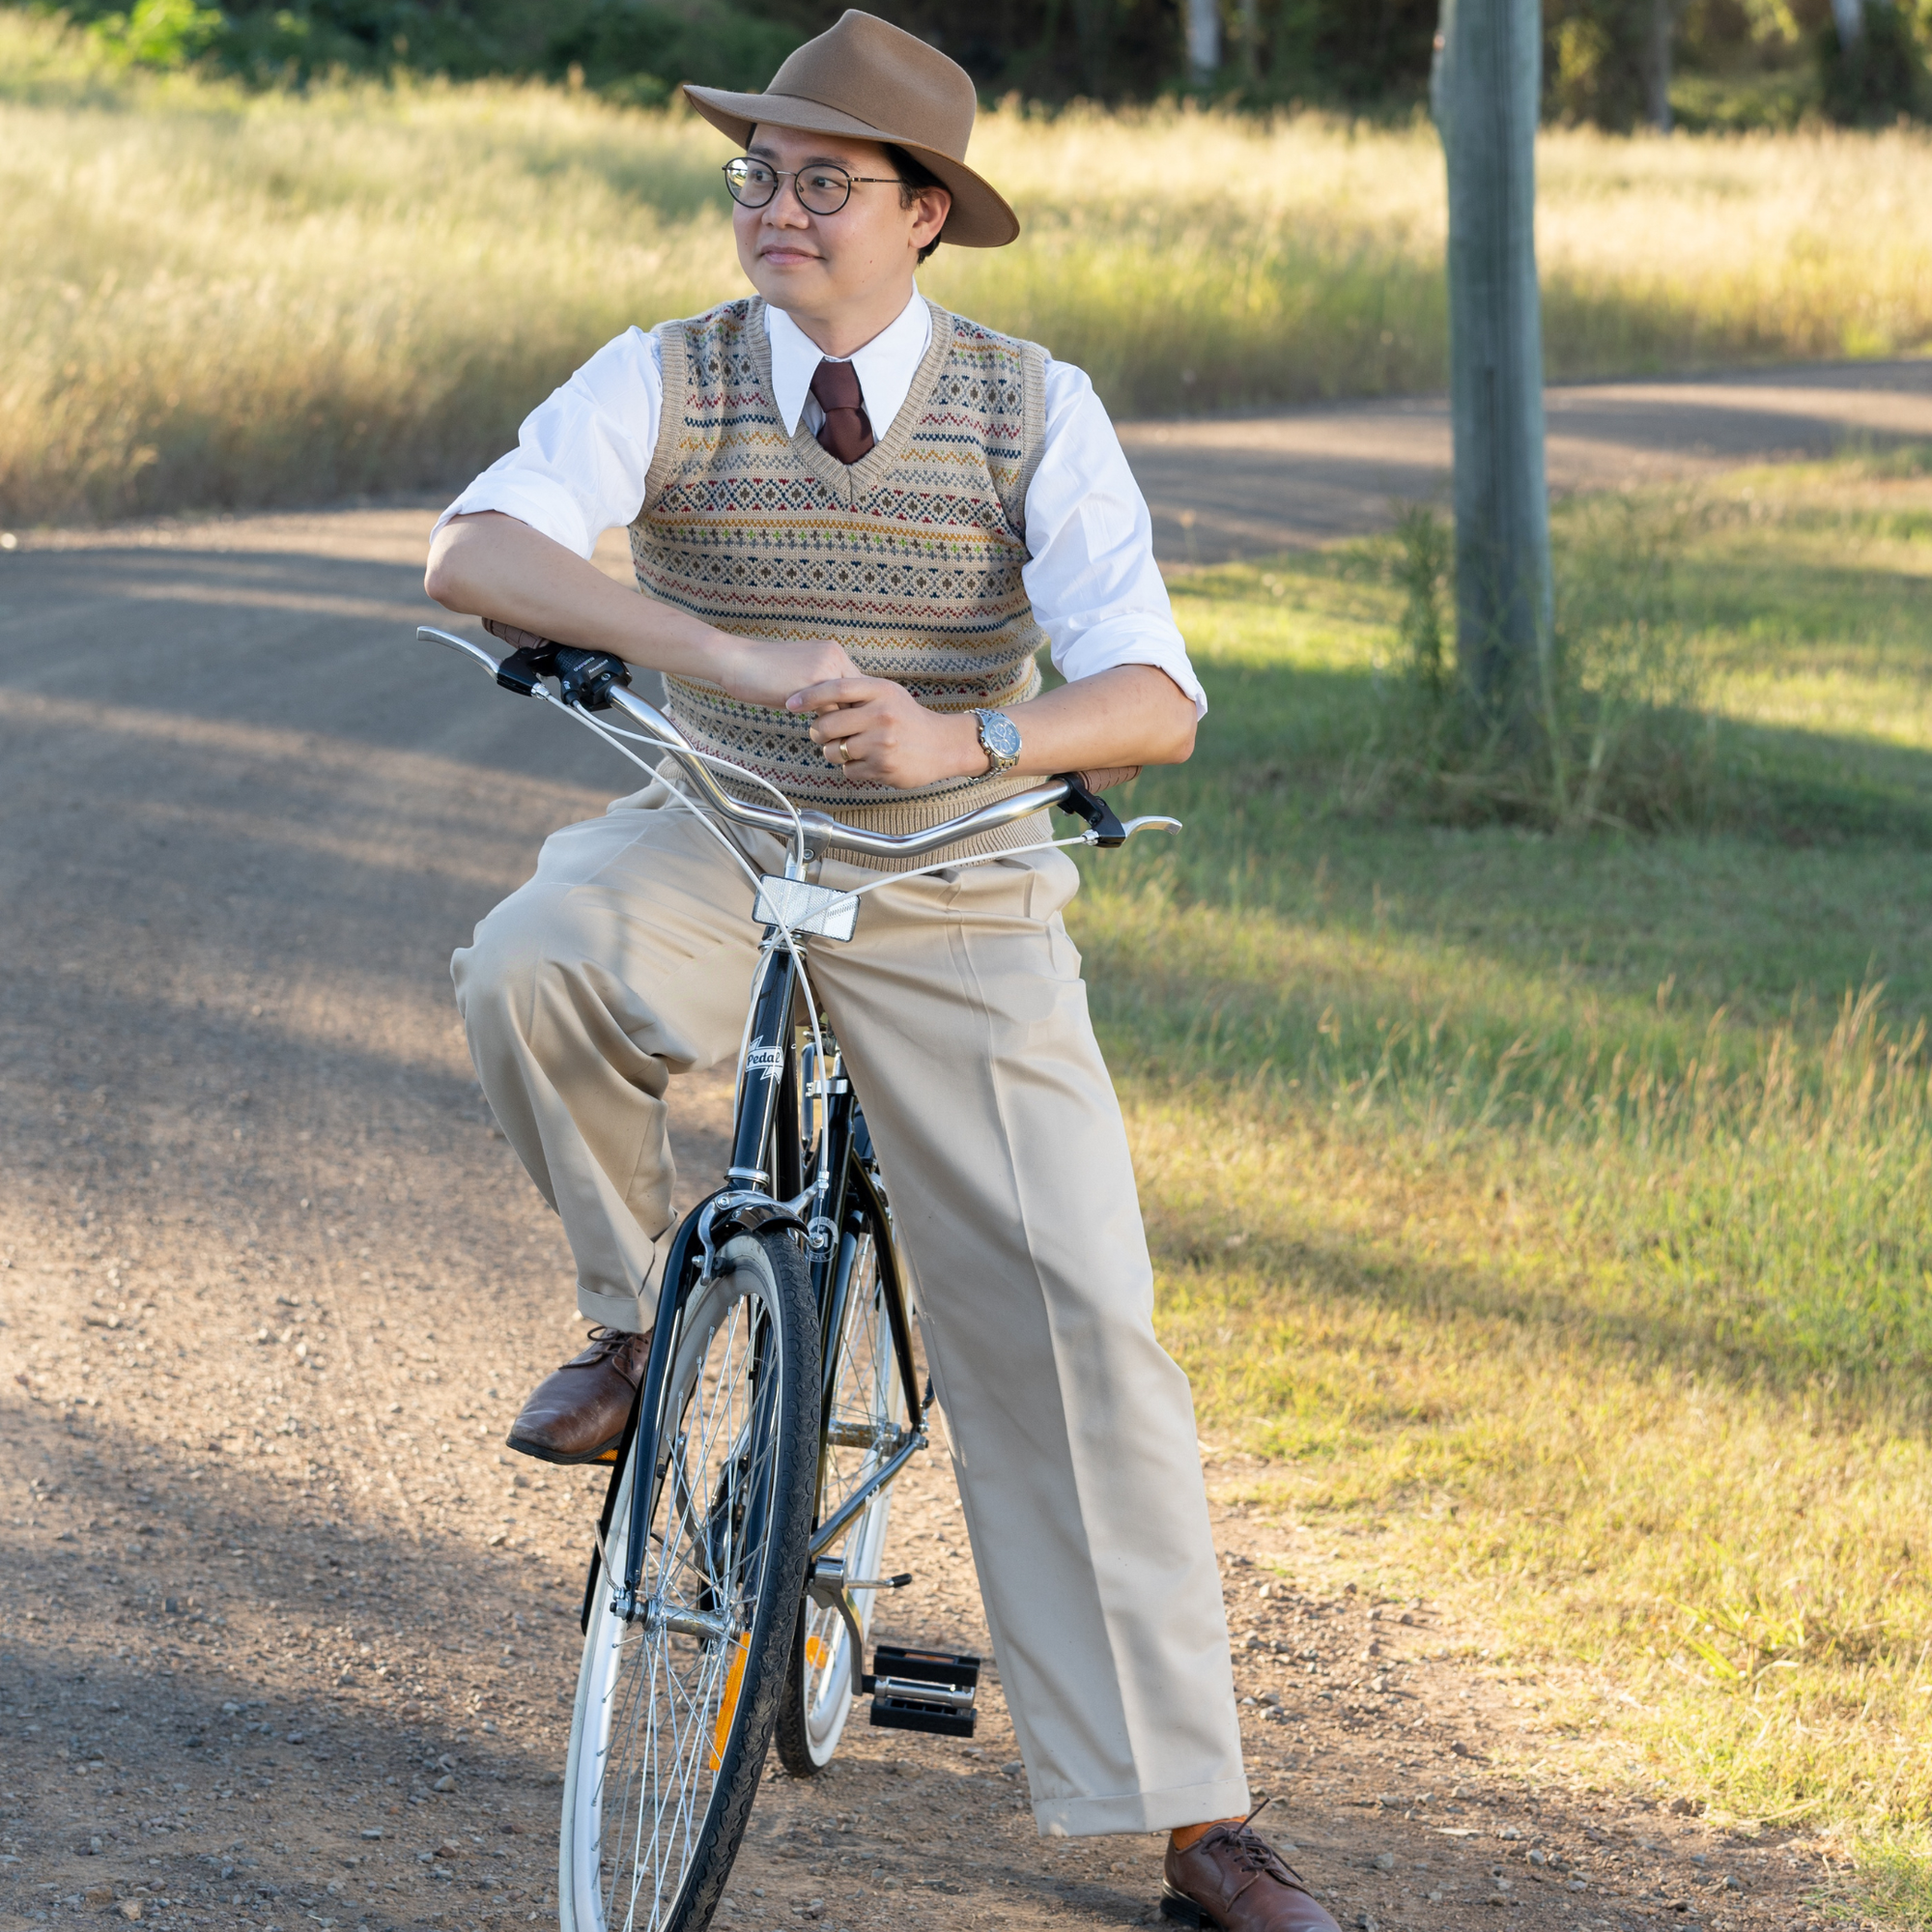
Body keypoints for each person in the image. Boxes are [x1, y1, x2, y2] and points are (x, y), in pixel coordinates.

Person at [423, 14, 1335, 1928]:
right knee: (533, 959)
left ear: (925, 214)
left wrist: (971, 747)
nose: (772, 206)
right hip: (715, 823)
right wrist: (742, 667)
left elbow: (1153, 695)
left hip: (958, 873)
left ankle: (1190, 1817)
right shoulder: (660, 374)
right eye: (756, 172)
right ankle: (626, 1323)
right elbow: (475, 546)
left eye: (821, 180)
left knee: (1079, 1325)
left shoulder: (1030, 407)